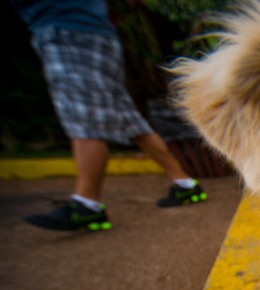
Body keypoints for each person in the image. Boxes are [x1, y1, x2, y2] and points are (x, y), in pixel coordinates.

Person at [13, 0, 207, 232]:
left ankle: (87, 205)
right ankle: (185, 183)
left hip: (67, 29)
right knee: (128, 118)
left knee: (83, 117)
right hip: (98, 32)